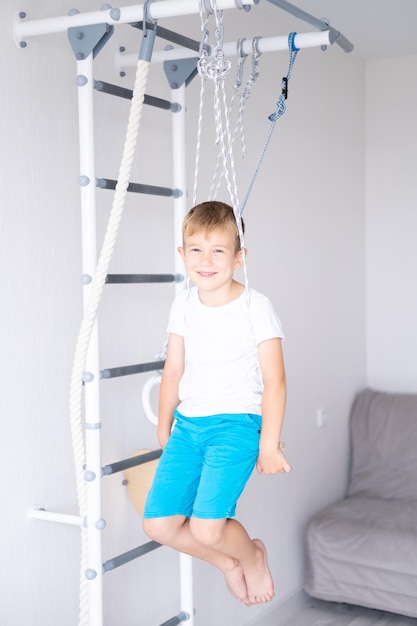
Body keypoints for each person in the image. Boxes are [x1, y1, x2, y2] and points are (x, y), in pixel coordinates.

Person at [143, 200, 291, 607]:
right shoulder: (183, 304)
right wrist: (163, 424)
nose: (206, 261)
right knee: (159, 524)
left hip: (236, 426)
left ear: (240, 258)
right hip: (188, 427)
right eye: (196, 250)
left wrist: (269, 443)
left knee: (209, 527)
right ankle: (228, 564)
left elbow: (276, 381)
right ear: (182, 255)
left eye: (219, 251)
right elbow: (173, 370)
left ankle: (253, 557)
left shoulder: (256, 307)